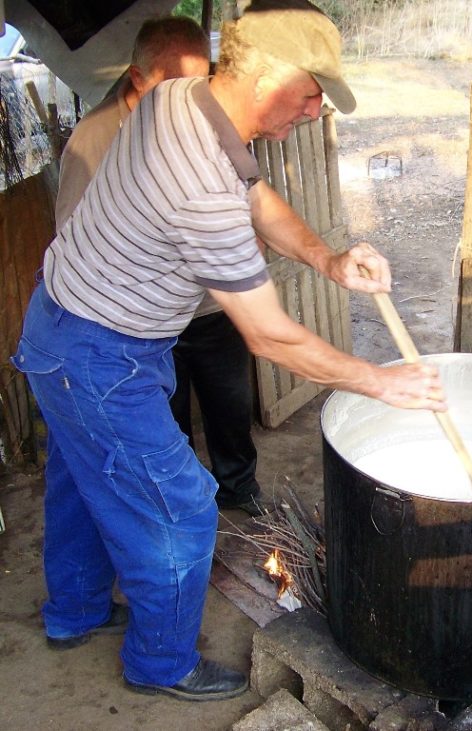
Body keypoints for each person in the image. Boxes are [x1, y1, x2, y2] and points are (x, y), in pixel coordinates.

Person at [12, 0, 446, 703]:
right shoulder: (198, 185)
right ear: (269, 79)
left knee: (81, 481)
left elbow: (257, 194)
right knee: (180, 509)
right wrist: (380, 381)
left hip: (64, 330)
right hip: (99, 356)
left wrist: (328, 259)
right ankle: (161, 663)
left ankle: (75, 613)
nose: (313, 113)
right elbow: (269, 334)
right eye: (311, 95)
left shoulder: (183, 99)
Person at [56, 16, 265, 518]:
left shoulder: (214, 118)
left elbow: (251, 202)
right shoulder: (95, 137)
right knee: (164, 427)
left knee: (230, 409)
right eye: (173, 85)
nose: (188, 98)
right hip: (141, 323)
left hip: (214, 309)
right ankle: (185, 509)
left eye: (198, 83)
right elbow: (72, 230)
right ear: (137, 77)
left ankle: (239, 490)